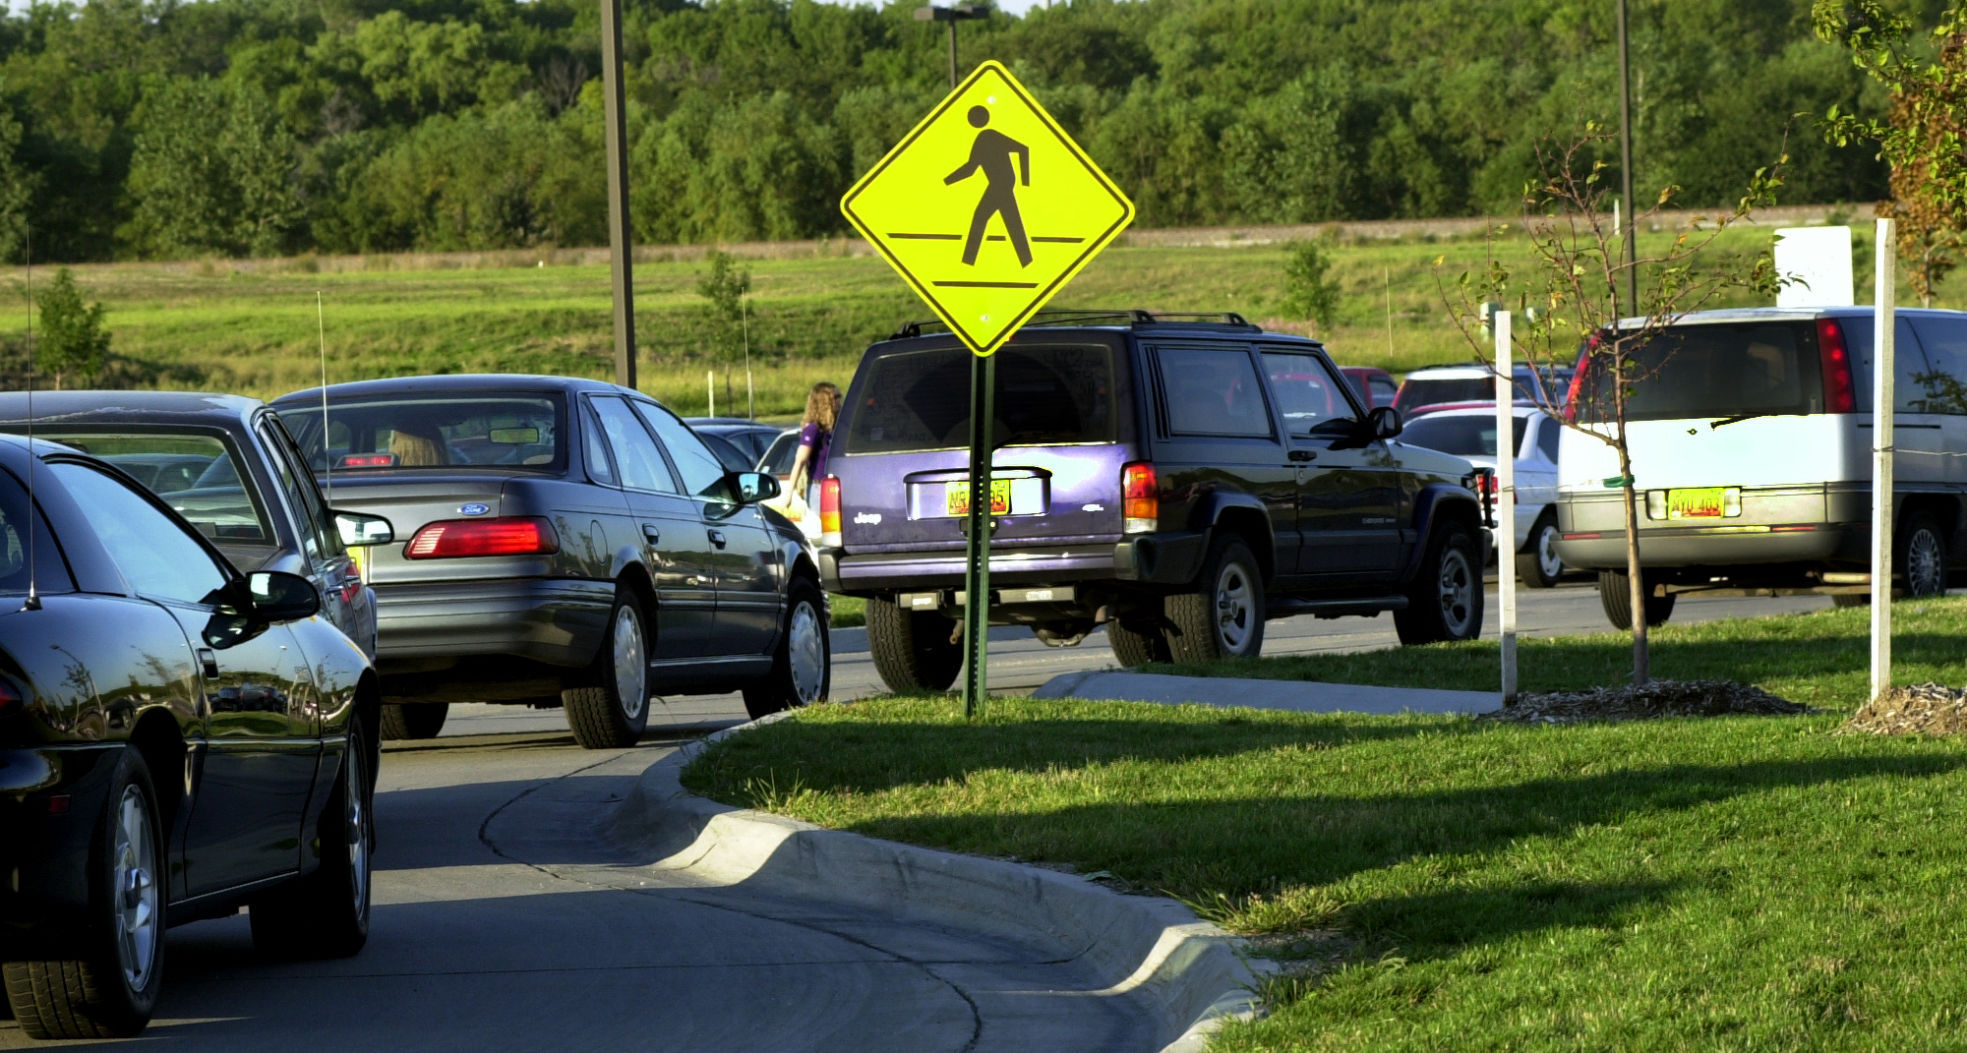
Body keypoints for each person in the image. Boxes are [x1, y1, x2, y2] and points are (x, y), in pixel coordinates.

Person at [788, 381, 841, 507]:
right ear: (825, 402)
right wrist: (789, 493)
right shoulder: (814, 429)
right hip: (819, 487)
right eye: (836, 397)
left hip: (837, 486)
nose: (840, 400)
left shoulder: (836, 428)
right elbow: (800, 460)